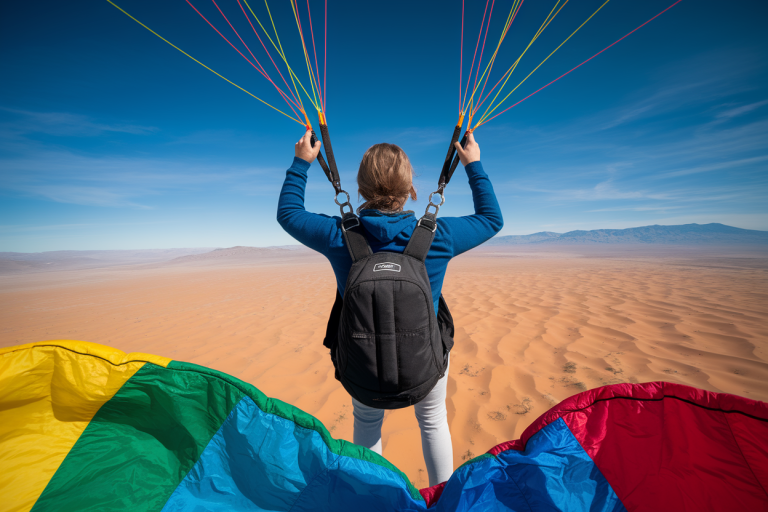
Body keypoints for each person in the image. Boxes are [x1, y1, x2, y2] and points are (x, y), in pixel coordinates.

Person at [277, 129, 503, 486]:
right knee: (433, 422)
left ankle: (374, 497)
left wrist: (301, 163)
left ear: (362, 189)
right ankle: (441, 498)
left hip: (363, 367)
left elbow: (289, 214)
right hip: (426, 365)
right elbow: (492, 219)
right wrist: (472, 164)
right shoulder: (438, 236)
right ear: (410, 187)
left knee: (367, 423)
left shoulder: (339, 236)